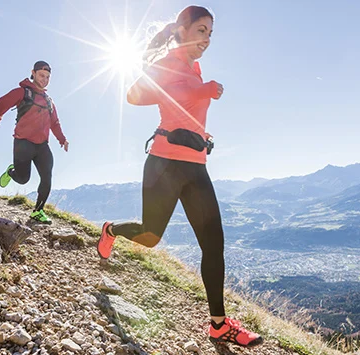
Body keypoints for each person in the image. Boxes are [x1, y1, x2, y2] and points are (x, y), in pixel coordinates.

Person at [96, 5, 263, 348]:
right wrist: (200, 92)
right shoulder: (167, 64)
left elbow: (183, 112)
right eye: (201, 30)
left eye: (211, 34)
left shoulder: (195, 68)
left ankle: (218, 324)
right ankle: (110, 229)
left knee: (214, 243)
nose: (207, 40)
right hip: (164, 164)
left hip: (196, 165)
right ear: (183, 30)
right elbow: (134, 96)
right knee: (150, 235)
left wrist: (201, 124)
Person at [0, 61, 69, 224]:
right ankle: (11, 172)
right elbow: (3, 103)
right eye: (42, 75)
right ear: (33, 73)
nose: (44, 79)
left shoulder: (49, 101)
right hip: (23, 143)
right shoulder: (22, 92)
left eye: (48, 77)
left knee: (47, 177)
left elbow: (54, 123)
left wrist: (62, 139)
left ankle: (38, 211)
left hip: (42, 145)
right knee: (23, 179)